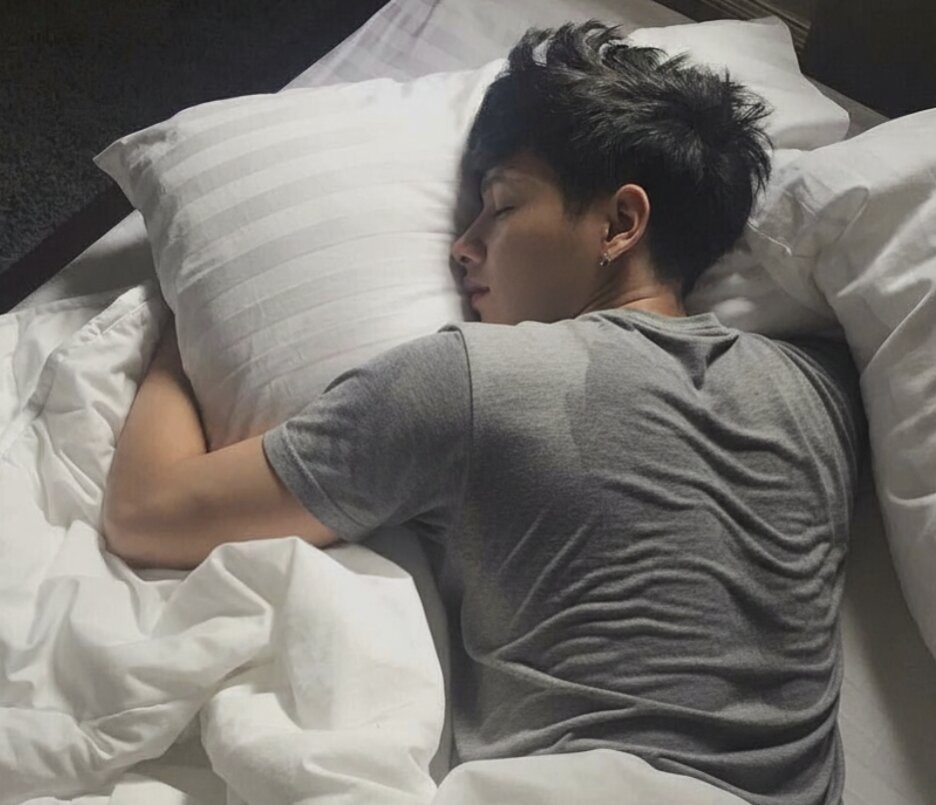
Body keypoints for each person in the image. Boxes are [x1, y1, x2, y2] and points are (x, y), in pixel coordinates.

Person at [102, 20, 865, 805]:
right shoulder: (821, 391)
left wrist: (177, 330)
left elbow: (145, 512)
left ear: (618, 224)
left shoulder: (470, 380)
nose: (462, 247)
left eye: (499, 205)